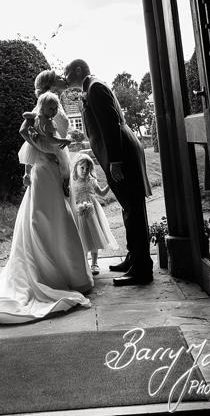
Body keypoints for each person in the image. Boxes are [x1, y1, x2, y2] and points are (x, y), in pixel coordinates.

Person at [0, 70, 92, 324]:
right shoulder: (42, 111)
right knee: (49, 214)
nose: (63, 80)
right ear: (50, 87)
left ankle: (70, 273)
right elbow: (31, 140)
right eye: (58, 79)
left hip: (56, 165)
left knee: (59, 212)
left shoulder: (53, 108)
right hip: (47, 166)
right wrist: (37, 160)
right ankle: (52, 273)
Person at [64, 59, 154, 285]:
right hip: (120, 154)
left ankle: (142, 270)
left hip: (122, 155)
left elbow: (111, 125)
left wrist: (115, 161)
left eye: (67, 72)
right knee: (128, 208)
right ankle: (133, 258)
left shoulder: (94, 88)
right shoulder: (91, 88)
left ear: (77, 70)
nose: (64, 76)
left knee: (134, 209)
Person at [70, 154, 119, 275]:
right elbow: (69, 197)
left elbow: (102, 193)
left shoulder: (91, 181)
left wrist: (110, 184)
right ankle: (84, 263)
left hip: (92, 213)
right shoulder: (72, 182)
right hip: (78, 212)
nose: (85, 171)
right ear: (76, 167)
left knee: (94, 236)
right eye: (82, 168)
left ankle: (95, 263)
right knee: (82, 237)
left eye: (87, 169)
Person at [19, 90, 72, 192]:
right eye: (51, 109)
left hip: (37, 140)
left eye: (56, 108)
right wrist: (64, 141)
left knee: (31, 155)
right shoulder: (49, 124)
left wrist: (27, 115)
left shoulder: (37, 116)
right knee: (63, 162)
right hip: (47, 146)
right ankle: (66, 182)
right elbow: (52, 140)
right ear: (42, 108)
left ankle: (27, 174)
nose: (54, 111)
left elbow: (25, 114)